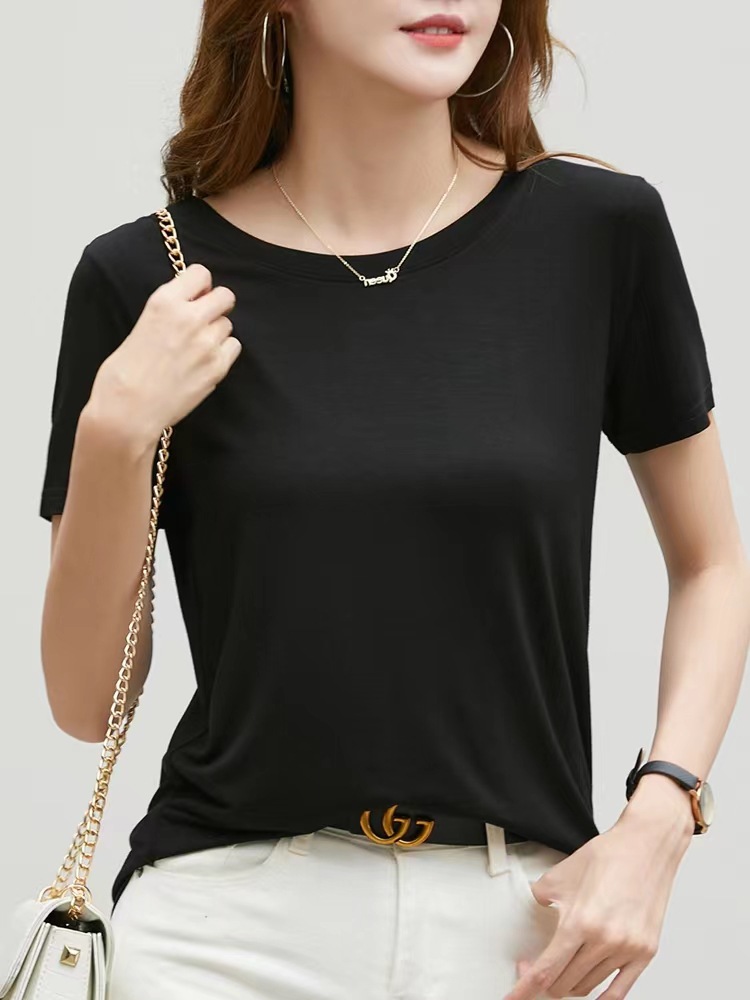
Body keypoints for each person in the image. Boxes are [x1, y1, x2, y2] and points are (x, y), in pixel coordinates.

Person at [38, 2, 750, 998]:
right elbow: (85, 704)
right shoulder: (148, 278)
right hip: (222, 934)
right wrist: (113, 433)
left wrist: (661, 817)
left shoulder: (598, 232)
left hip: (515, 931)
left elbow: (712, 565)